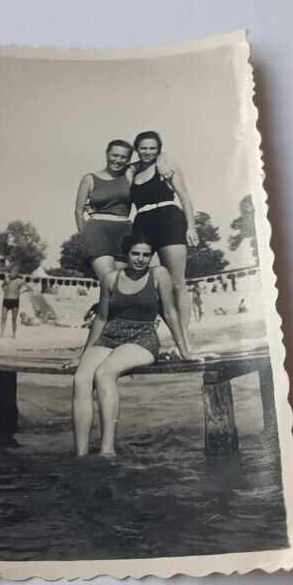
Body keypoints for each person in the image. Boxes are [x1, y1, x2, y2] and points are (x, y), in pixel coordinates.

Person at [71, 237, 189, 458]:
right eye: (136, 254)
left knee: (104, 373)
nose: (141, 259)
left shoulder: (159, 274)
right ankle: (81, 453)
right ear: (126, 255)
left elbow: (171, 313)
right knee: (81, 379)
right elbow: (101, 318)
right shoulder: (110, 279)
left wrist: (185, 350)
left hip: (141, 337)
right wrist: (84, 354)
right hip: (110, 335)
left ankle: (107, 450)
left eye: (146, 255)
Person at [127, 129, 214, 357]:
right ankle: (171, 338)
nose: (148, 152)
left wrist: (191, 227)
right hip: (142, 223)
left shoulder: (167, 164)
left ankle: (184, 342)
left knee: (177, 283)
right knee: (152, 284)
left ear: (159, 149)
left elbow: (184, 195)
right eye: (143, 148)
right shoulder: (132, 170)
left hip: (169, 219)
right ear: (137, 149)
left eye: (153, 148)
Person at [74, 140, 133, 279]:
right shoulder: (90, 179)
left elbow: (150, 159)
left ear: (129, 159)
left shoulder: (130, 176)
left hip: (125, 232)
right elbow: (78, 211)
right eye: (115, 155)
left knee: (121, 283)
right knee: (108, 280)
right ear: (107, 154)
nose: (118, 160)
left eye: (123, 157)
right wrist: (86, 236)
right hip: (98, 231)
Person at [0, 267, 30, 338]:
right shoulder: (7, 279)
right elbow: (2, 286)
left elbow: (29, 288)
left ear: (17, 273)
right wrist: (4, 290)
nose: (11, 273)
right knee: (3, 318)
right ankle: (1, 333)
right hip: (6, 300)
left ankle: (13, 335)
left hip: (15, 301)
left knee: (14, 319)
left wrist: (21, 292)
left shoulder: (20, 280)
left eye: (13, 272)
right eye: (11, 272)